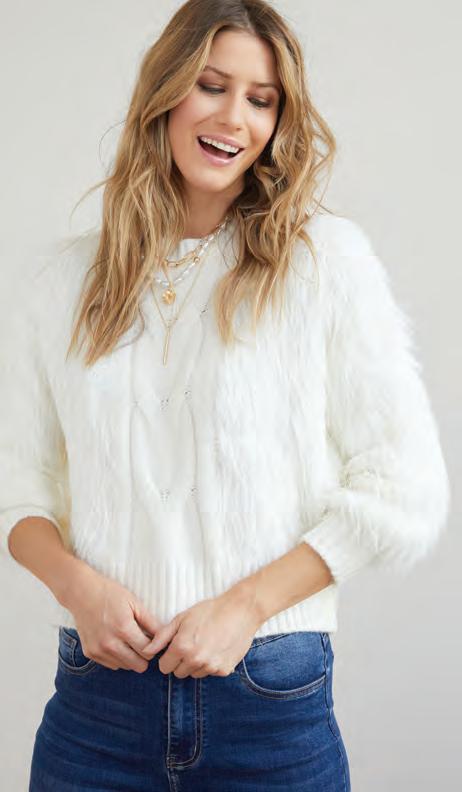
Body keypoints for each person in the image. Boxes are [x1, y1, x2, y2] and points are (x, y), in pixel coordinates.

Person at [0, 1, 451, 790]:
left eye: (261, 99)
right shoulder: (61, 283)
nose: (234, 118)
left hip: (269, 705)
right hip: (97, 711)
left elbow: (406, 487)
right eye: (211, 86)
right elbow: (16, 482)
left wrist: (245, 606)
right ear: (165, 93)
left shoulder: (323, 265)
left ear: (278, 122)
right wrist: (78, 588)